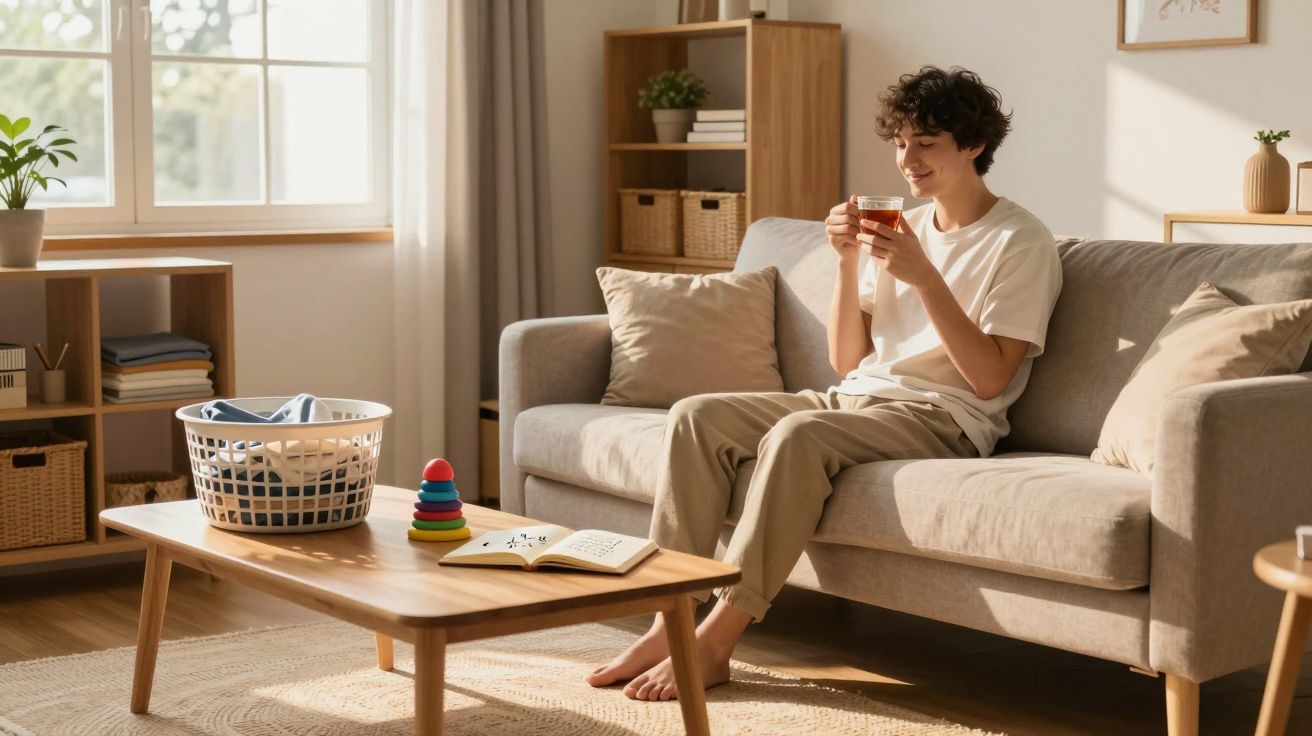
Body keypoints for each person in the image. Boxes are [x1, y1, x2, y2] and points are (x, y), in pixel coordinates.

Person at [587, 65, 1063, 701]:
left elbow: (988, 379)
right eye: (900, 142)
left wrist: (925, 279)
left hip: (944, 415)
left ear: (974, 145)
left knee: (798, 436)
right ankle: (667, 620)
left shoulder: (1020, 241)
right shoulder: (907, 227)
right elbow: (848, 360)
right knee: (696, 415)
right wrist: (845, 263)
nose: (908, 160)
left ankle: (718, 641)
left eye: (927, 143)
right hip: (859, 398)